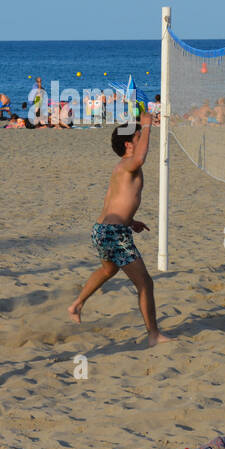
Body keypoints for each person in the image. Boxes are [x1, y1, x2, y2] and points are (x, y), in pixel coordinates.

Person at [67, 112, 170, 346]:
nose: (142, 138)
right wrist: (146, 125)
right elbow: (141, 157)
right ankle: (153, 334)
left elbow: (114, 201)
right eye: (138, 136)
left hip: (104, 229)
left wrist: (130, 221)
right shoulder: (129, 164)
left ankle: (77, 304)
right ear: (128, 144)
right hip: (113, 233)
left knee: (108, 270)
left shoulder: (122, 167)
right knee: (145, 283)